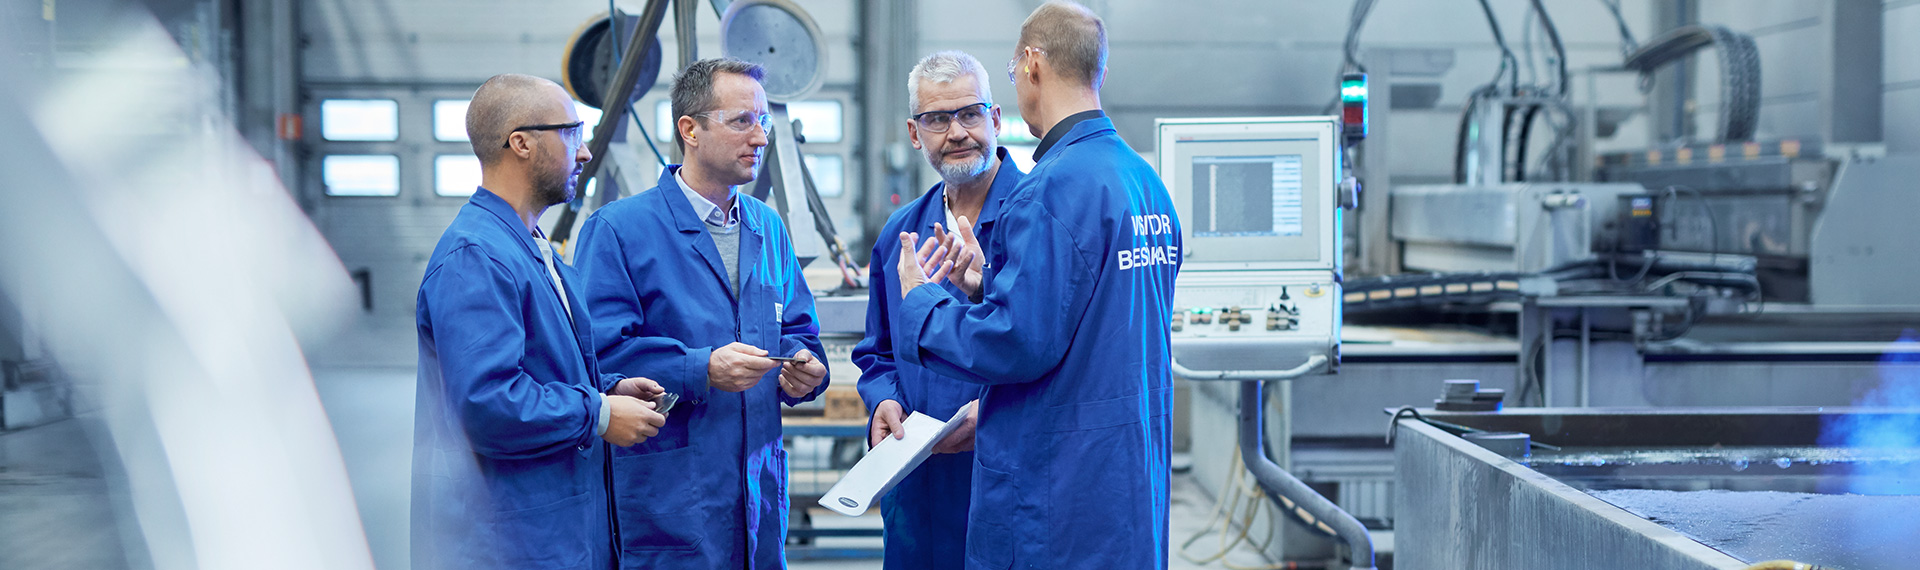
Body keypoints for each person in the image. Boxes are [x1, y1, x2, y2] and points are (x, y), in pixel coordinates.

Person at [890, 2, 1182, 568]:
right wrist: (988, 288)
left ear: (1031, 65)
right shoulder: (1143, 182)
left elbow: (1016, 343)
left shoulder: (1051, 189)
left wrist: (921, 303)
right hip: (1126, 482)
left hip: (1058, 494)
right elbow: (1093, 321)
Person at [574, 57, 830, 570]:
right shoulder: (620, 231)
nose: (760, 138)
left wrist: (808, 370)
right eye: (742, 121)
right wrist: (701, 368)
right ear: (689, 130)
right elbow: (596, 357)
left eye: (765, 122)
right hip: (668, 498)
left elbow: (798, 328)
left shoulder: (767, 228)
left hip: (758, 492)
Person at [412, 73, 668, 570]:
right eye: (572, 132)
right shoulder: (476, 258)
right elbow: (486, 405)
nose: (586, 152)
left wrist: (608, 390)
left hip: (556, 533)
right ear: (521, 143)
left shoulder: (529, 247)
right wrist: (598, 413)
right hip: (508, 542)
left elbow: (541, 369)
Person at [853, 50, 1024, 570]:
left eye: (970, 113)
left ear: (995, 119)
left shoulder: (1036, 219)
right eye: (936, 119)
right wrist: (882, 401)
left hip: (1006, 476)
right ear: (913, 132)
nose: (957, 132)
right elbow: (877, 351)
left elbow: (1055, 350)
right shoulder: (901, 233)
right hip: (918, 484)